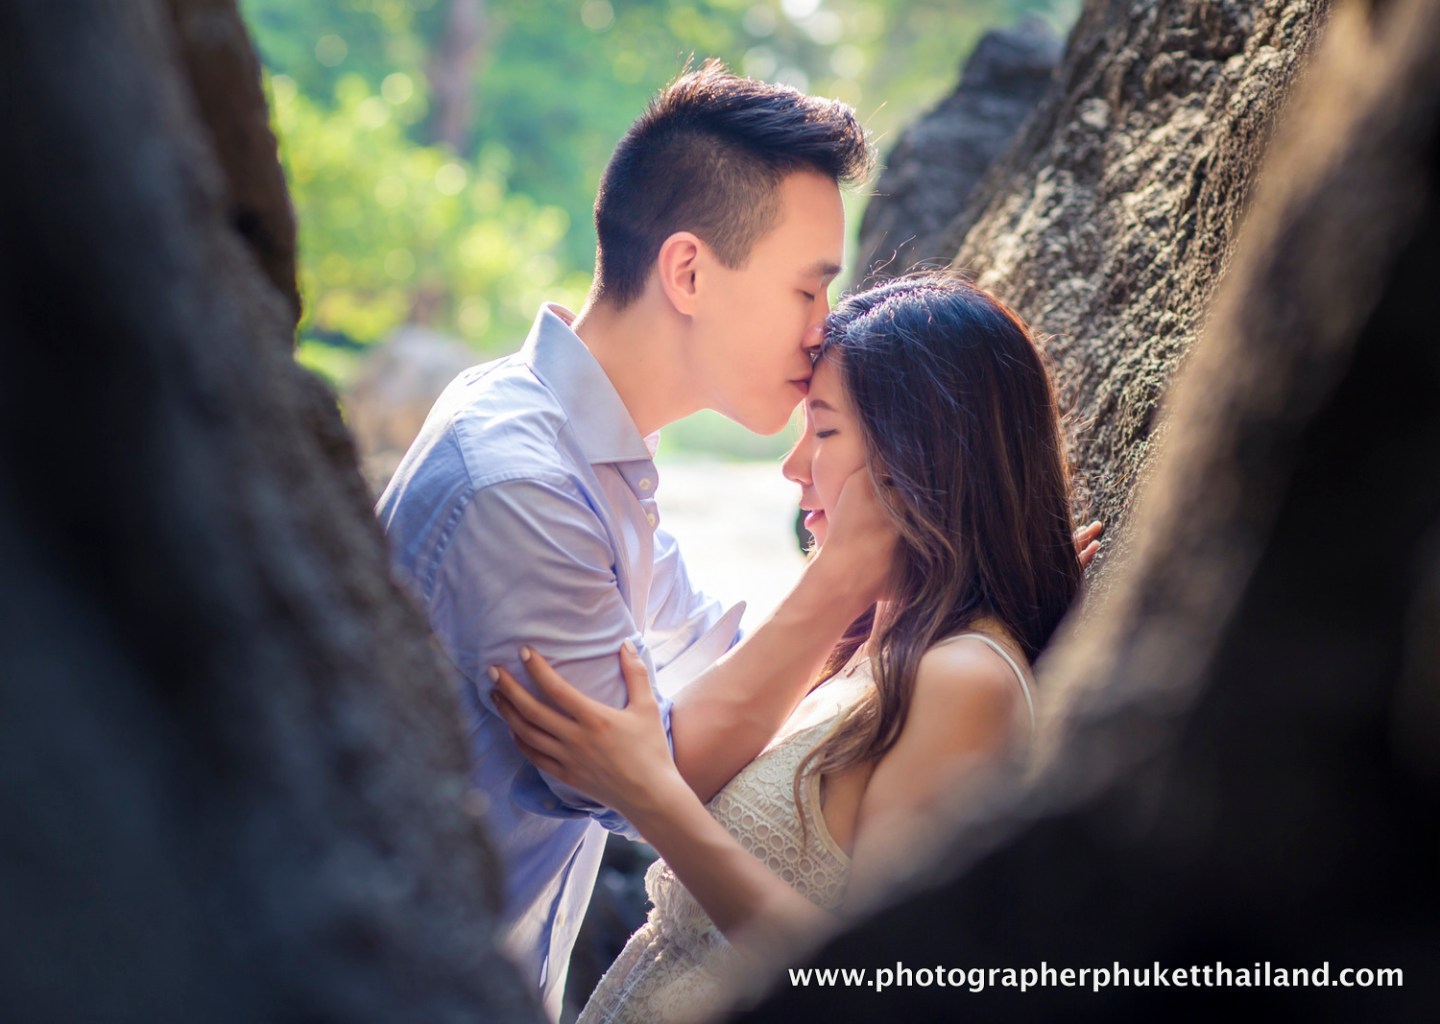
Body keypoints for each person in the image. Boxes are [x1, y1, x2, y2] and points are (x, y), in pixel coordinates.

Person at [377, 61, 893, 1020]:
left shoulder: (591, 447)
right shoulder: (521, 486)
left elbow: (716, 668)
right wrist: (846, 575)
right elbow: (664, 773)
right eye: (807, 291)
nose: (823, 334)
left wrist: (955, 588)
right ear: (689, 271)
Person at [490, 273, 1095, 1022]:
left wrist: (650, 797)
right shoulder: (873, 646)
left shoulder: (964, 680)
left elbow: (885, 988)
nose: (793, 463)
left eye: (827, 431)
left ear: (922, 462)